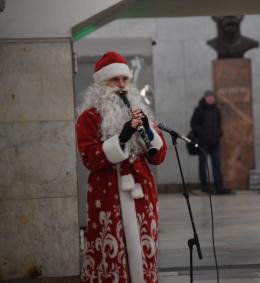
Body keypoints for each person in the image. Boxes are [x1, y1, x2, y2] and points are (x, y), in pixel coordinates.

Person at [76, 51, 167, 283]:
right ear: (101, 84)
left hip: (141, 194)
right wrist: (122, 137)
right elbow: (89, 158)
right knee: (111, 251)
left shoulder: (140, 111)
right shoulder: (89, 117)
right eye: (115, 80)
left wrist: (147, 131)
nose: (121, 85)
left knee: (143, 247)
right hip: (108, 194)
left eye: (125, 79)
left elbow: (159, 157)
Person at [190, 90, 230, 194]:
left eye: (212, 97)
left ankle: (219, 187)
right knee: (203, 165)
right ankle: (204, 186)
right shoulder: (198, 110)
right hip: (203, 142)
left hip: (215, 142)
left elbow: (219, 123)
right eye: (208, 97)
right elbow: (193, 124)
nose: (210, 99)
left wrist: (219, 132)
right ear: (205, 98)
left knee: (217, 164)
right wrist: (201, 134)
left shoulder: (216, 110)